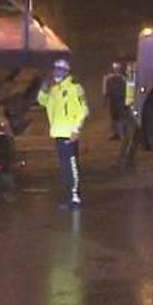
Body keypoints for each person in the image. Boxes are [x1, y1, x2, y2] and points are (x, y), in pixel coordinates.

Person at [38, 58, 89, 209]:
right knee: (65, 167)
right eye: (55, 69)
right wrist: (45, 87)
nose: (57, 72)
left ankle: (75, 197)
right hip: (58, 133)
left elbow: (84, 110)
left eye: (60, 69)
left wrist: (76, 130)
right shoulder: (54, 90)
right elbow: (41, 100)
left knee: (71, 166)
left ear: (67, 72)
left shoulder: (75, 88)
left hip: (70, 134)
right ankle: (69, 196)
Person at [102, 61, 128, 141]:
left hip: (120, 99)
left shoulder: (123, 78)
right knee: (115, 117)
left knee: (120, 116)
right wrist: (105, 99)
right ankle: (117, 134)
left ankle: (121, 134)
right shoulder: (109, 78)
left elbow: (127, 89)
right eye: (115, 68)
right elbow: (105, 90)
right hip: (114, 100)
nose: (116, 69)